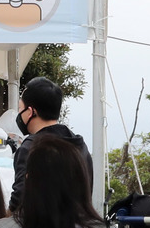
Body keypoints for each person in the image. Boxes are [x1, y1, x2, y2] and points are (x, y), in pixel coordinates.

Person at [8, 76, 90, 211]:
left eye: (20, 108)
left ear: (30, 112)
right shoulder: (80, 145)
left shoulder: (30, 148)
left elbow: (19, 201)